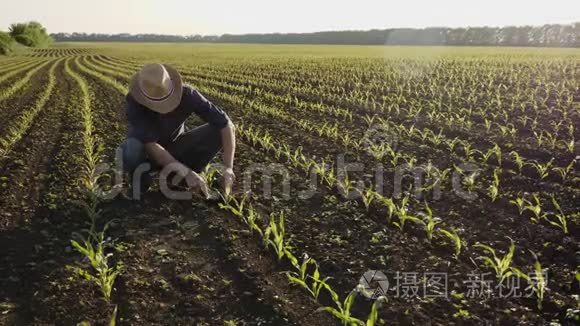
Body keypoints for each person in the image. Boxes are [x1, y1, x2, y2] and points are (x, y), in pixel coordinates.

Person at [118, 63, 236, 198]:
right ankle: (140, 180)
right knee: (133, 147)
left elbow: (226, 124)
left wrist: (228, 168)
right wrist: (186, 172)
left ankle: (179, 177)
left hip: (174, 147)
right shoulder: (134, 102)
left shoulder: (188, 95)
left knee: (217, 130)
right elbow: (150, 145)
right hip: (146, 155)